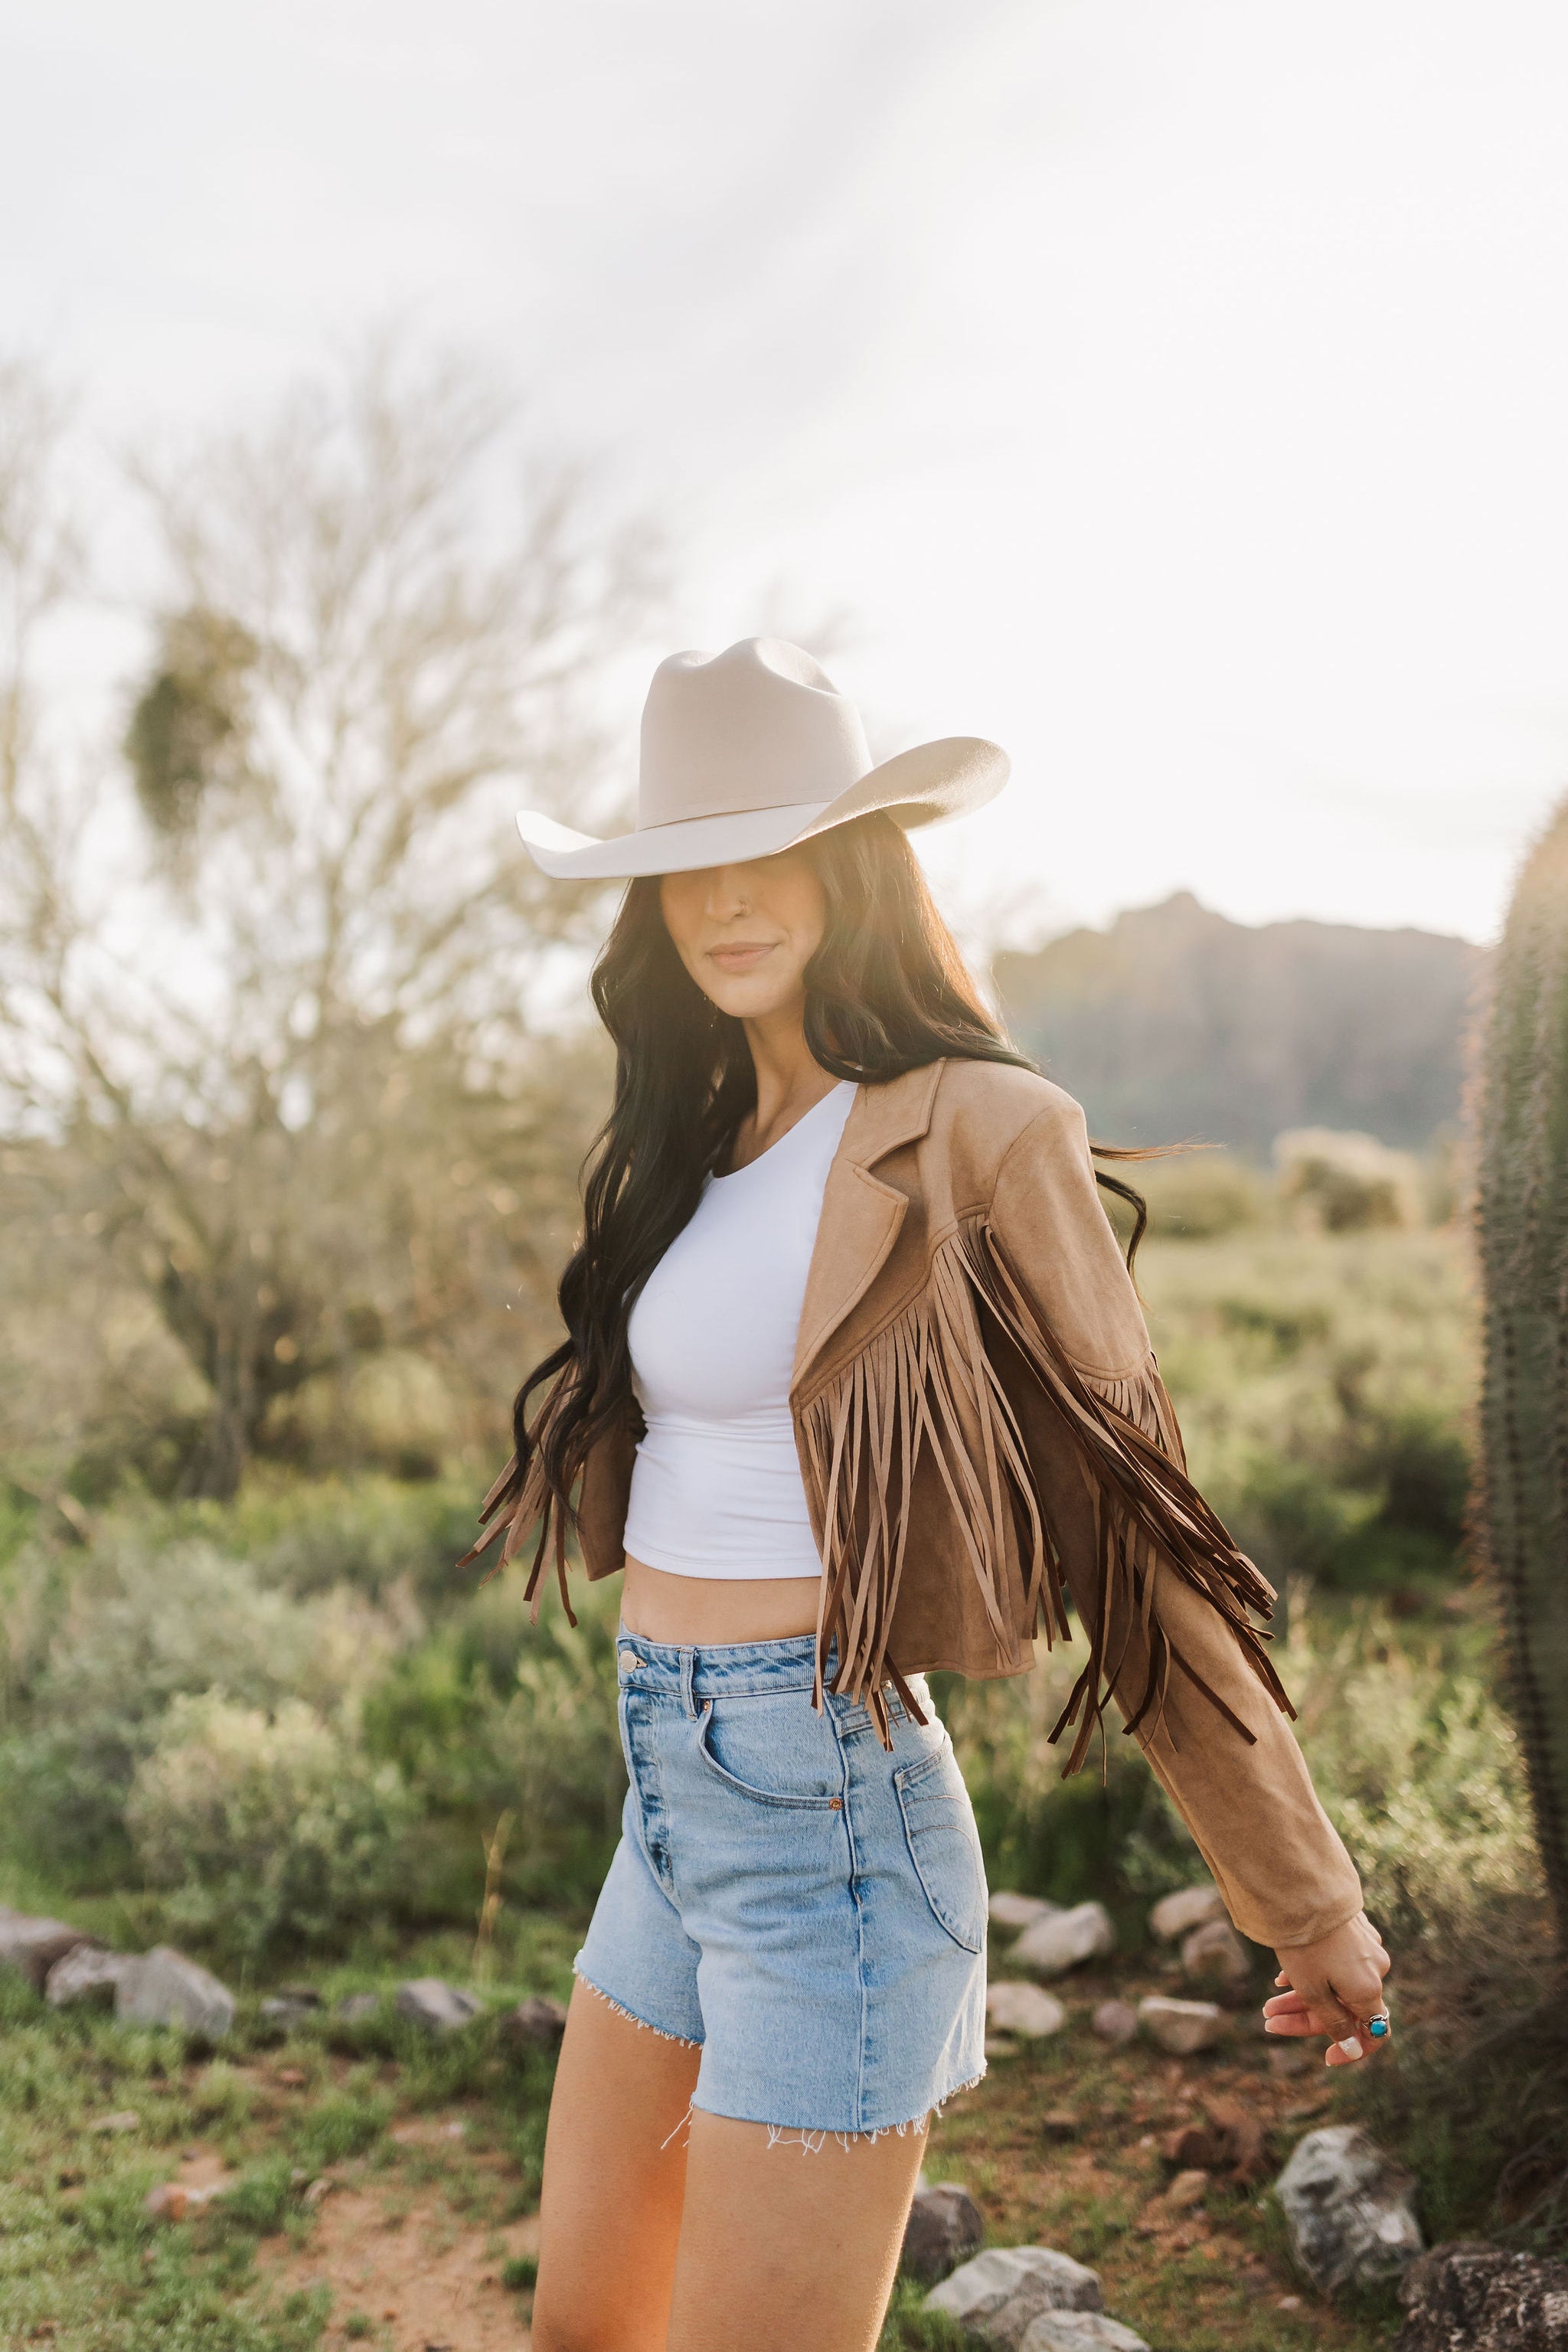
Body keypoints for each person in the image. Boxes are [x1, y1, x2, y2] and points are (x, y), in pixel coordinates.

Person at [463, 639, 1392, 2352]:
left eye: (776, 849)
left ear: (853, 862)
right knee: (583, 2336)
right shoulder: (700, 1137)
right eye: (690, 865)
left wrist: (1303, 1899)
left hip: (831, 1818)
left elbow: (1137, 1534)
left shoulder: (980, 1129)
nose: (729, 899)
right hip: (663, 1800)